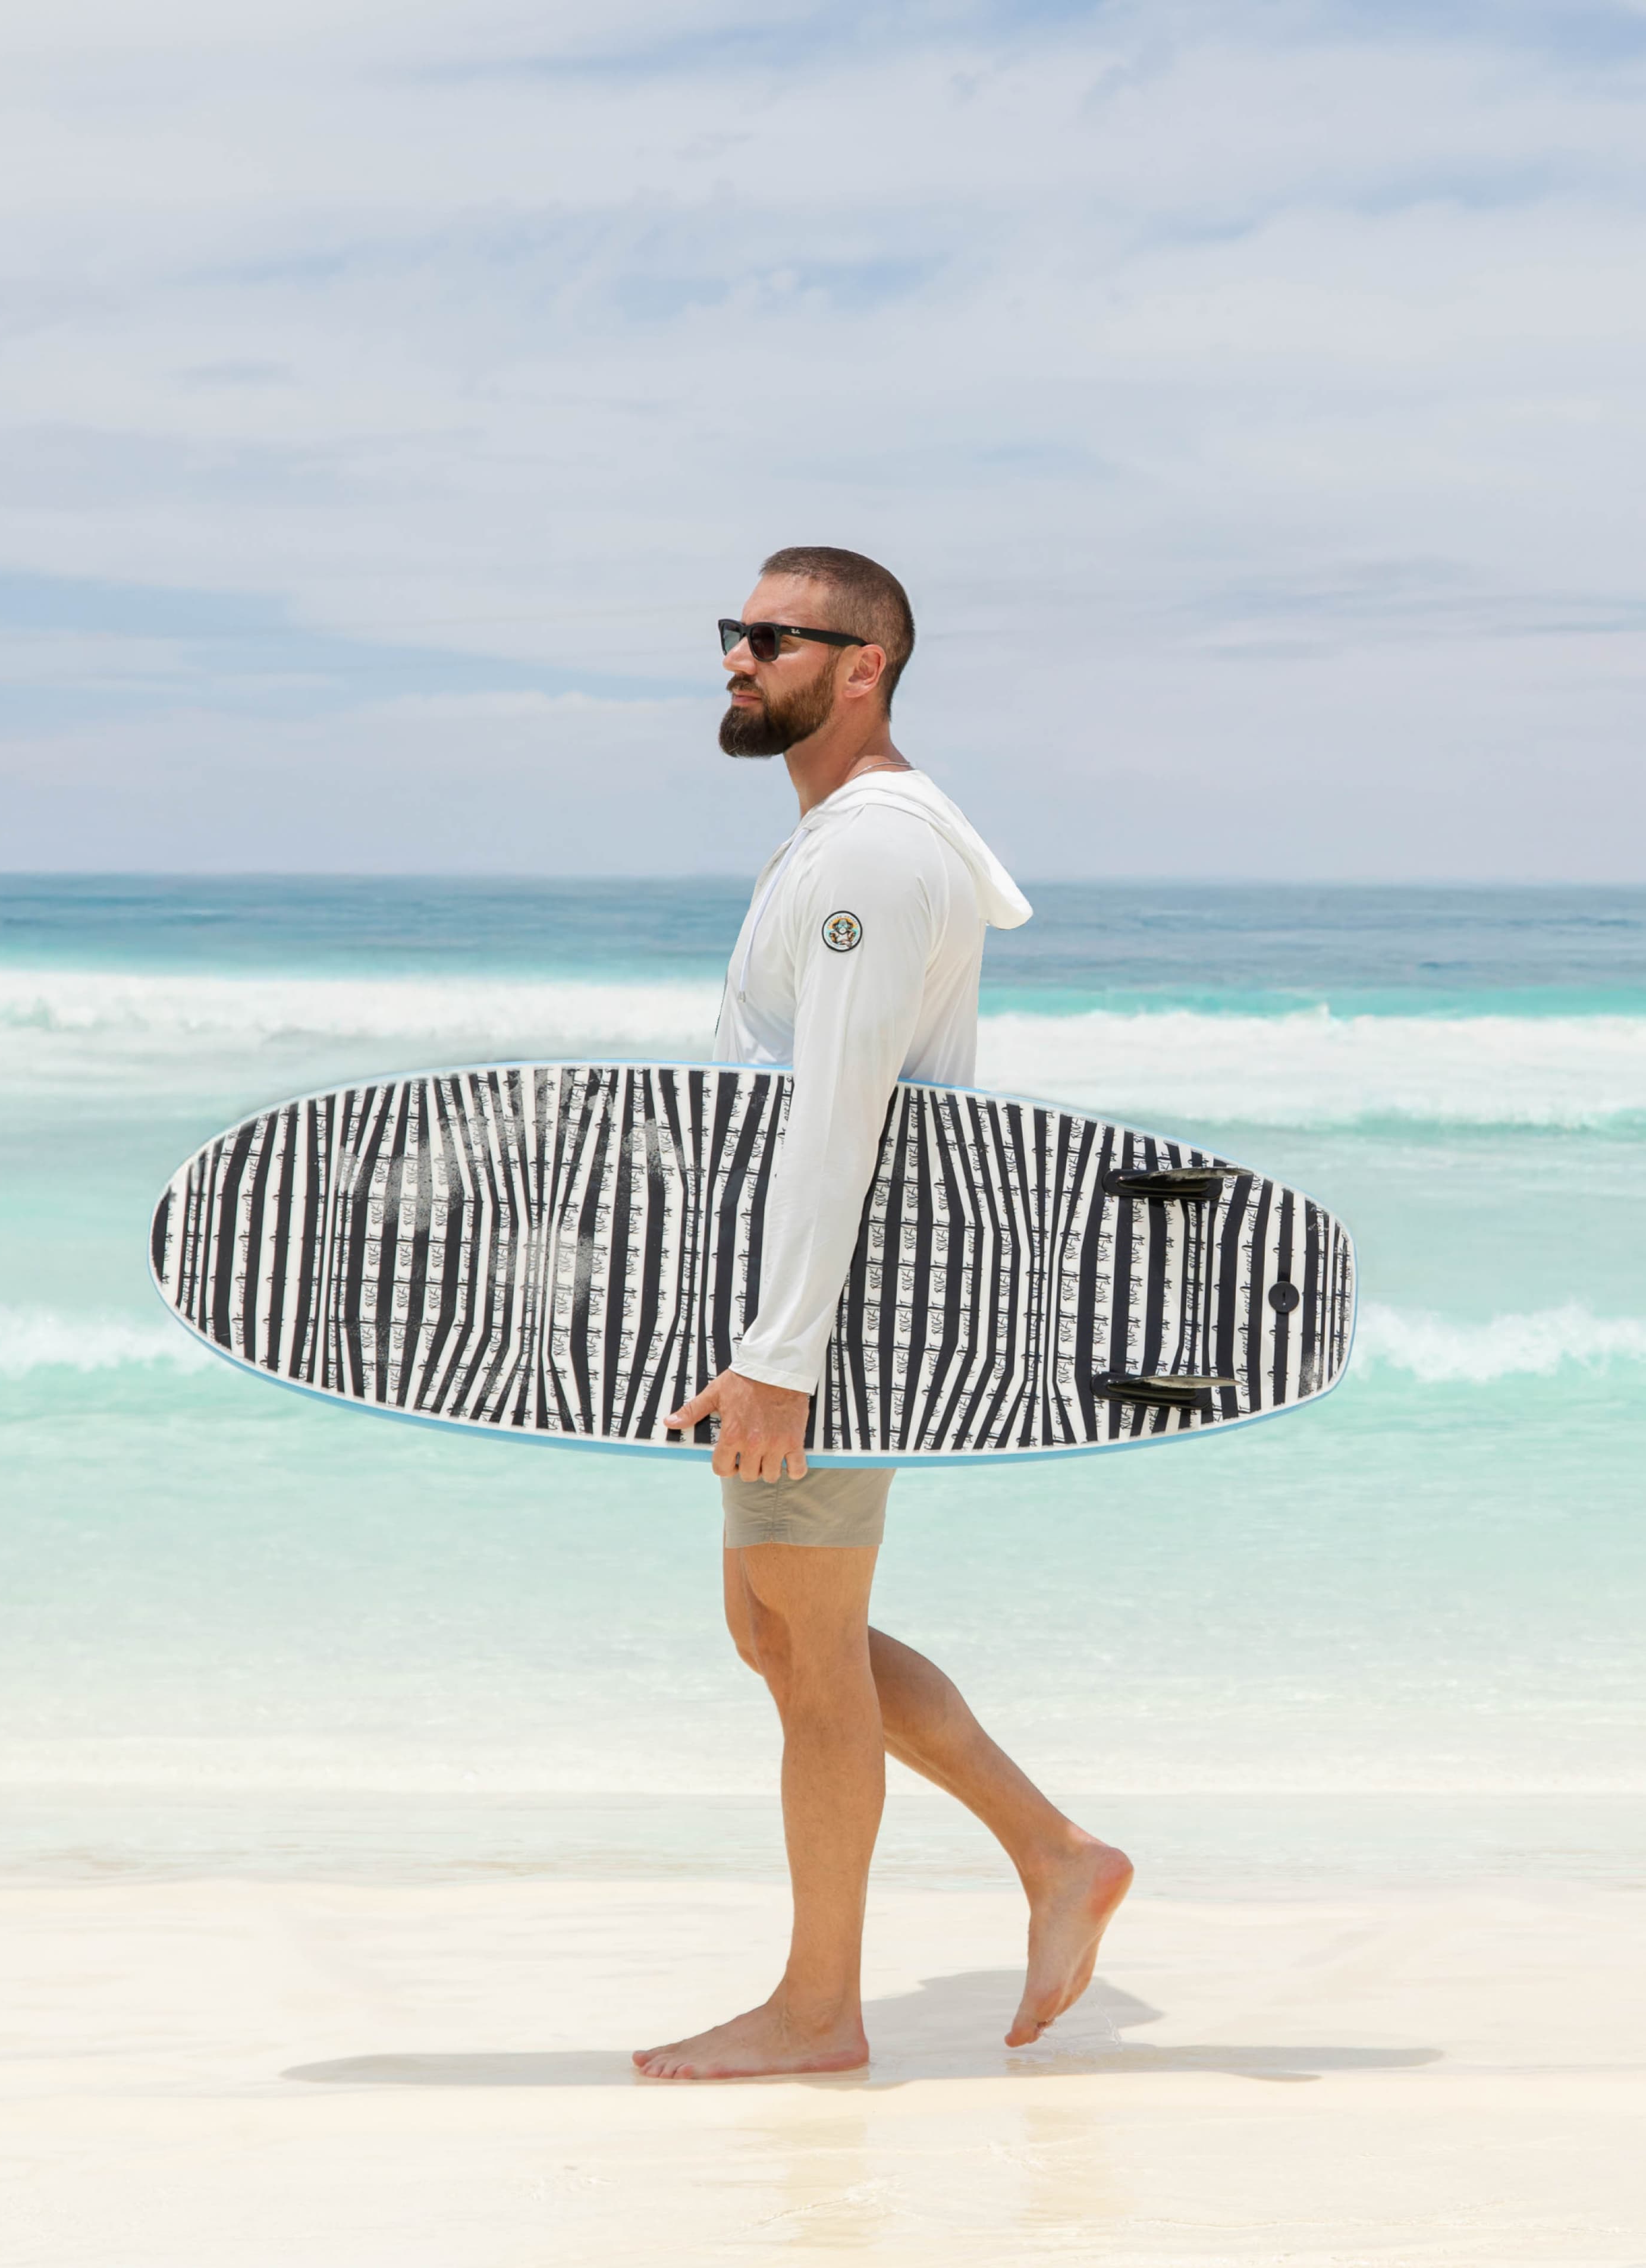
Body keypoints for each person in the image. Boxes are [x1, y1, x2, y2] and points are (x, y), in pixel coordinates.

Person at [635, 546, 1132, 2081]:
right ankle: (1056, 1856)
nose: (740, 656)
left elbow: (839, 1118)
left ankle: (821, 2009)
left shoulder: (873, 858)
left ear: (866, 667)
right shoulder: (843, 842)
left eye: (777, 638)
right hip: (814, 1314)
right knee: (777, 1632)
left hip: (836, 1323)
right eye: (736, 631)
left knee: (808, 1642)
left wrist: (782, 1359)